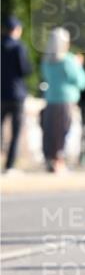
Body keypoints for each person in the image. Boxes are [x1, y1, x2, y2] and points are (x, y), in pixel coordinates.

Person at [40, 27, 85, 173]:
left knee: (50, 132)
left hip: (50, 99)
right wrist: (79, 65)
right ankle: (59, 162)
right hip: (66, 101)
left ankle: (51, 160)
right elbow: (81, 81)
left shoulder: (46, 61)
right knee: (63, 132)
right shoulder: (69, 60)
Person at [1, 14, 31, 173]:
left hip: (1, 94)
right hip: (16, 94)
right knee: (15, 131)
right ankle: (10, 165)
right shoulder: (19, 47)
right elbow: (25, 69)